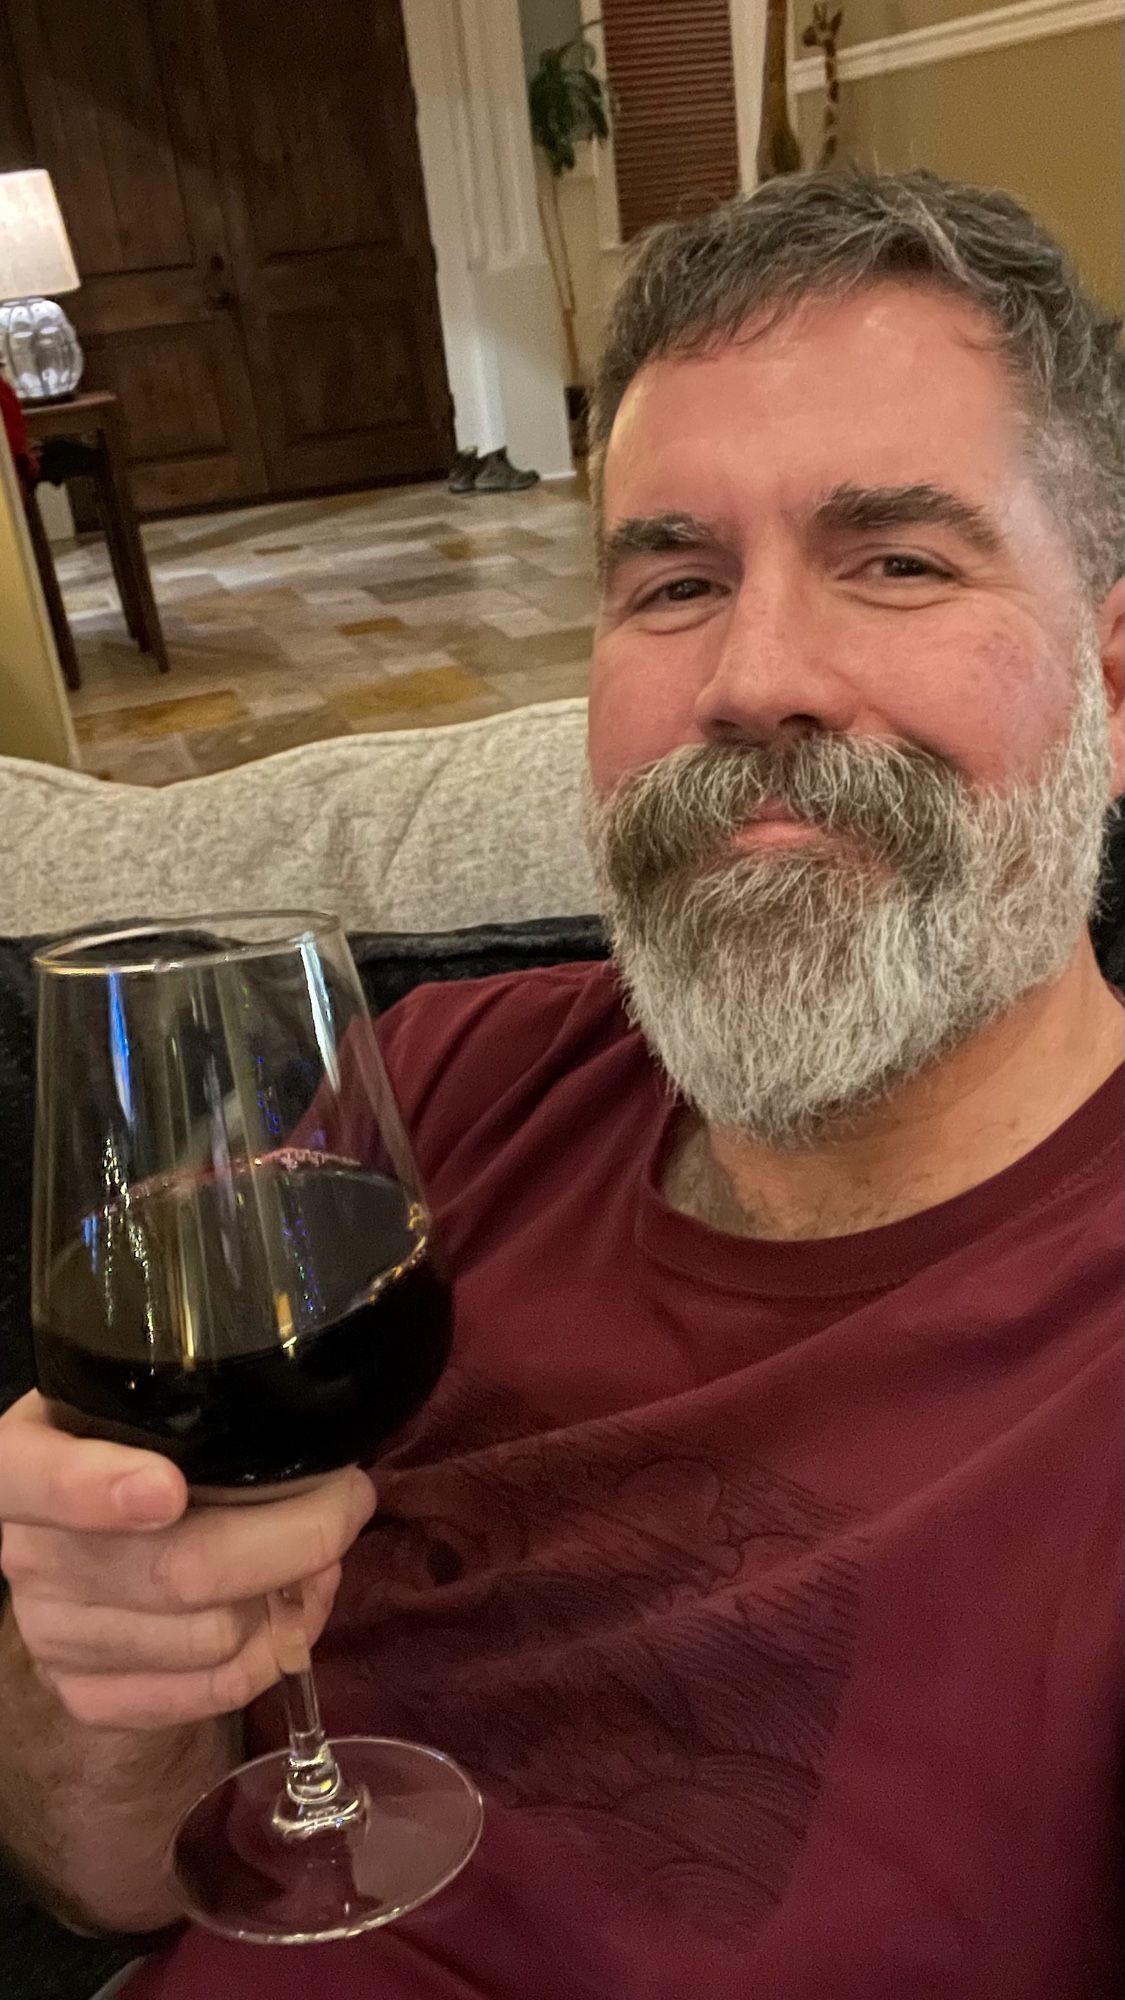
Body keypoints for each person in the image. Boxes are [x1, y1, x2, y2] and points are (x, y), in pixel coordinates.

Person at [0, 169, 1121, 1999]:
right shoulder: (418, 1108)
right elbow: (110, 1875)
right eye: (673, 579)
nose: (754, 676)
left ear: (1115, 683)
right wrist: (97, 1663)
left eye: (899, 561)